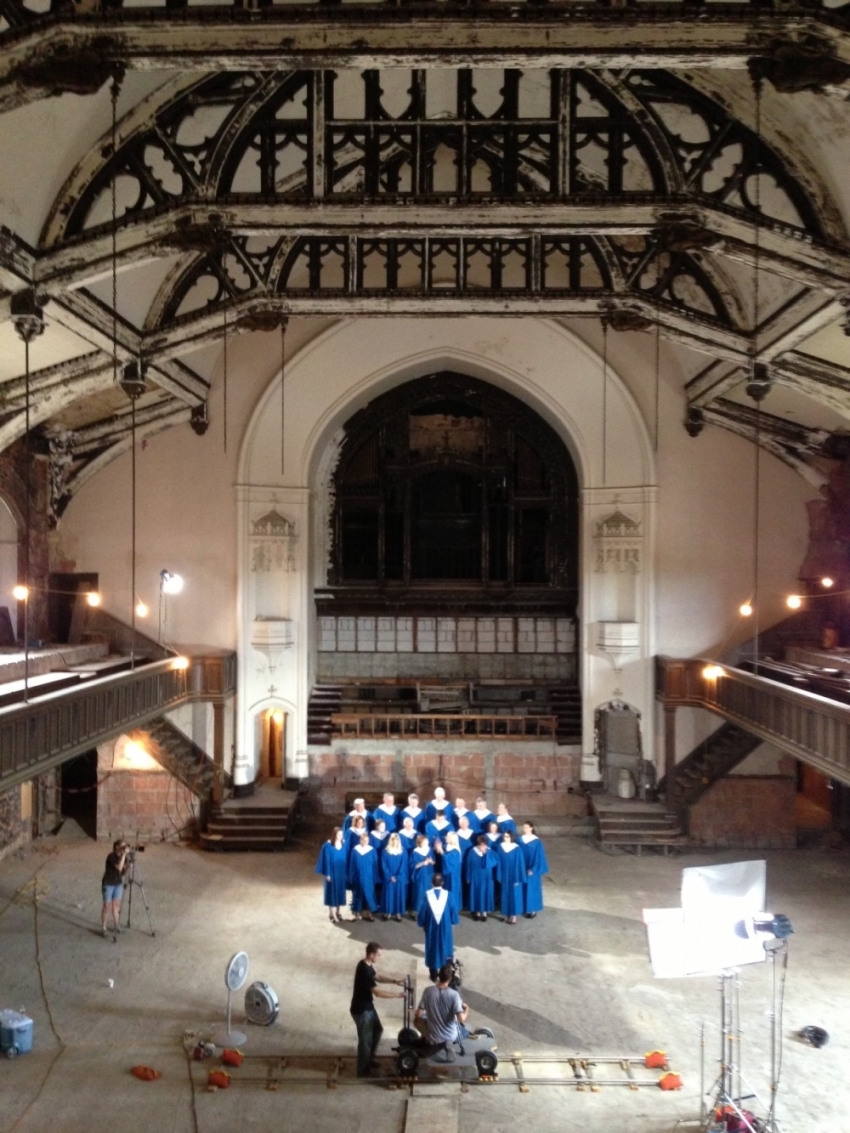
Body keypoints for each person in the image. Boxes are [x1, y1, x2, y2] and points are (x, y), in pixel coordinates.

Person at [350, 942, 406, 1078]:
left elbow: (377, 977)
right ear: (371, 954)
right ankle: (362, 1070)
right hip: (362, 1010)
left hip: (367, 1006)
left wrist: (394, 981)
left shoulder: (366, 965)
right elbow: (378, 993)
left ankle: (369, 1059)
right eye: (378, 955)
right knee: (365, 1041)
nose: (379, 957)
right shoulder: (364, 971)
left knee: (378, 1030)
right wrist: (397, 995)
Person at [414, 962, 469, 1062]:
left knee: (418, 1020)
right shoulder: (454, 995)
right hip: (451, 1035)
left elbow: (418, 1014)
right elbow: (461, 1019)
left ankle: (429, 1042)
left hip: (433, 1035)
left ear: (439, 976)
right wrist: (466, 1009)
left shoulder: (428, 991)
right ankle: (448, 1043)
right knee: (464, 1031)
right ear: (450, 979)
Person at [417, 872, 459, 981]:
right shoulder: (449, 895)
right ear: (443, 883)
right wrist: (453, 922)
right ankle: (447, 973)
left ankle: (433, 975)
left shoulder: (427, 895)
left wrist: (421, 923)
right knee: (447, 947)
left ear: (431, 883)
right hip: (445, 926)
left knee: (432, 948)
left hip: (432, 927)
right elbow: (453, 911)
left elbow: (423, 912)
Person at [315, 826, 347, 923]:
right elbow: (326, 861)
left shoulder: (343, 844)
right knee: (332, 894)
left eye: (341, 834)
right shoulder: (328, 846)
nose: (340, 836)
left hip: (341, 873)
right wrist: (328, 874)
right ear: (334, 835)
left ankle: (337, 912)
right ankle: (332, 915)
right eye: (338, 834)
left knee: (339, 894)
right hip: (332, 873)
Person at [520, 822, 549, 918]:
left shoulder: (537, 842)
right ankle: (523, 907)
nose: (525, 829)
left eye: (527, 827)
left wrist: (533, 869)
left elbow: (539, 858)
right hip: (522, 867)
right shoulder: (520, 840)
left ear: (531, 828)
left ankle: (532, 909)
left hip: (532, 869)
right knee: (522, 887)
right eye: (524, 827)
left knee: (532, 889)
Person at [463, 834, 496, 921]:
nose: (482, 846)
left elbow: (494, 862)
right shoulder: (472, 851)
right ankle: (477, 911)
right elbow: (468, 865)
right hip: (475, 876)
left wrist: (485, 854)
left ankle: (484, 912)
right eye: (480, 844)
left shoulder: (490, 851)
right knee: (476, 892)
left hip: (487, 876)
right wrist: (468, 876)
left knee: (485, 892)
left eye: (484, 844)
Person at [348, 832, 379, 921]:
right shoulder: (355, 850)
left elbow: (375, 865)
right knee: (357, 894)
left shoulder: (372, 851)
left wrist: (375, 877)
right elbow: (352, 864)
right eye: (363, 840)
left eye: (366, 840)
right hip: (357, 876)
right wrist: (351, 876)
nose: (365, 842)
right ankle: (357, 914)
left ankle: (369, 913)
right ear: (360, 840)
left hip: (369, 877)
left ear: (368, 841)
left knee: (369, 894)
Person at [496, 829, 525, 924]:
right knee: (505, 895)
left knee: (514, 896)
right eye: (504, 836)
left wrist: (517, 878)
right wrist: (499, 875)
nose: (505, 838)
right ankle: (506, 914)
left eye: (508, 836)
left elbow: (519, 864)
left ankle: (513, 916)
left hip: (513, 875)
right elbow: (498, 862)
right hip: (504, 874)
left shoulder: (517, 848)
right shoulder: (500, 847)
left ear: (511, 837)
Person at [101, 839, 128, 936]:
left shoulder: (123, 857)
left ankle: (116, 925)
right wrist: (124, 856)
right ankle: (103, 928)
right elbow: (119, 868)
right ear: (117, 847)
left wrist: (128, 865)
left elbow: (122, 872)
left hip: (118, 884)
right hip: (108, 883)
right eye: (123, 846)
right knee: (106, 906)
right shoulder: (111, 856)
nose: (124, 848)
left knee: (116, 905)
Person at [380, 833, 408, 922]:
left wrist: (398, 876)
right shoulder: (385, 851)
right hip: (389, 878)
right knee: (389, 894)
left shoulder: (403, 851)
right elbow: (383, 865)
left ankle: (398, 913)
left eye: (396, 840)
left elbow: (404, 865)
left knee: (398, 894)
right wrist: (389, 876)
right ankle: (388, 912)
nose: (394, 841)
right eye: (392, 840)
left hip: (399, 877)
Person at [408, 834, 435, 919]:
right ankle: (416, 912)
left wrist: (430, 861)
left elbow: (434, 862)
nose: (428, 842)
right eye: (426, 841)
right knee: (419, 893)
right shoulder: (415, 852)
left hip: (429, 874)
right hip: (419, 875)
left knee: (429, 892)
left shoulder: (430, 850)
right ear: (421, 842)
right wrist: (423, 863)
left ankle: (428, 912)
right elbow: (413, 865)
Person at [440, 830, 463, 917]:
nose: (446, 838)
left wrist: (441, 851)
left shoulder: (456, 851)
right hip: (447, 873)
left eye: (448, 837)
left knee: (453, 889)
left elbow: (449, 861)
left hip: (453, 874)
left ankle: (454, 909)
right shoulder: (448, 847)